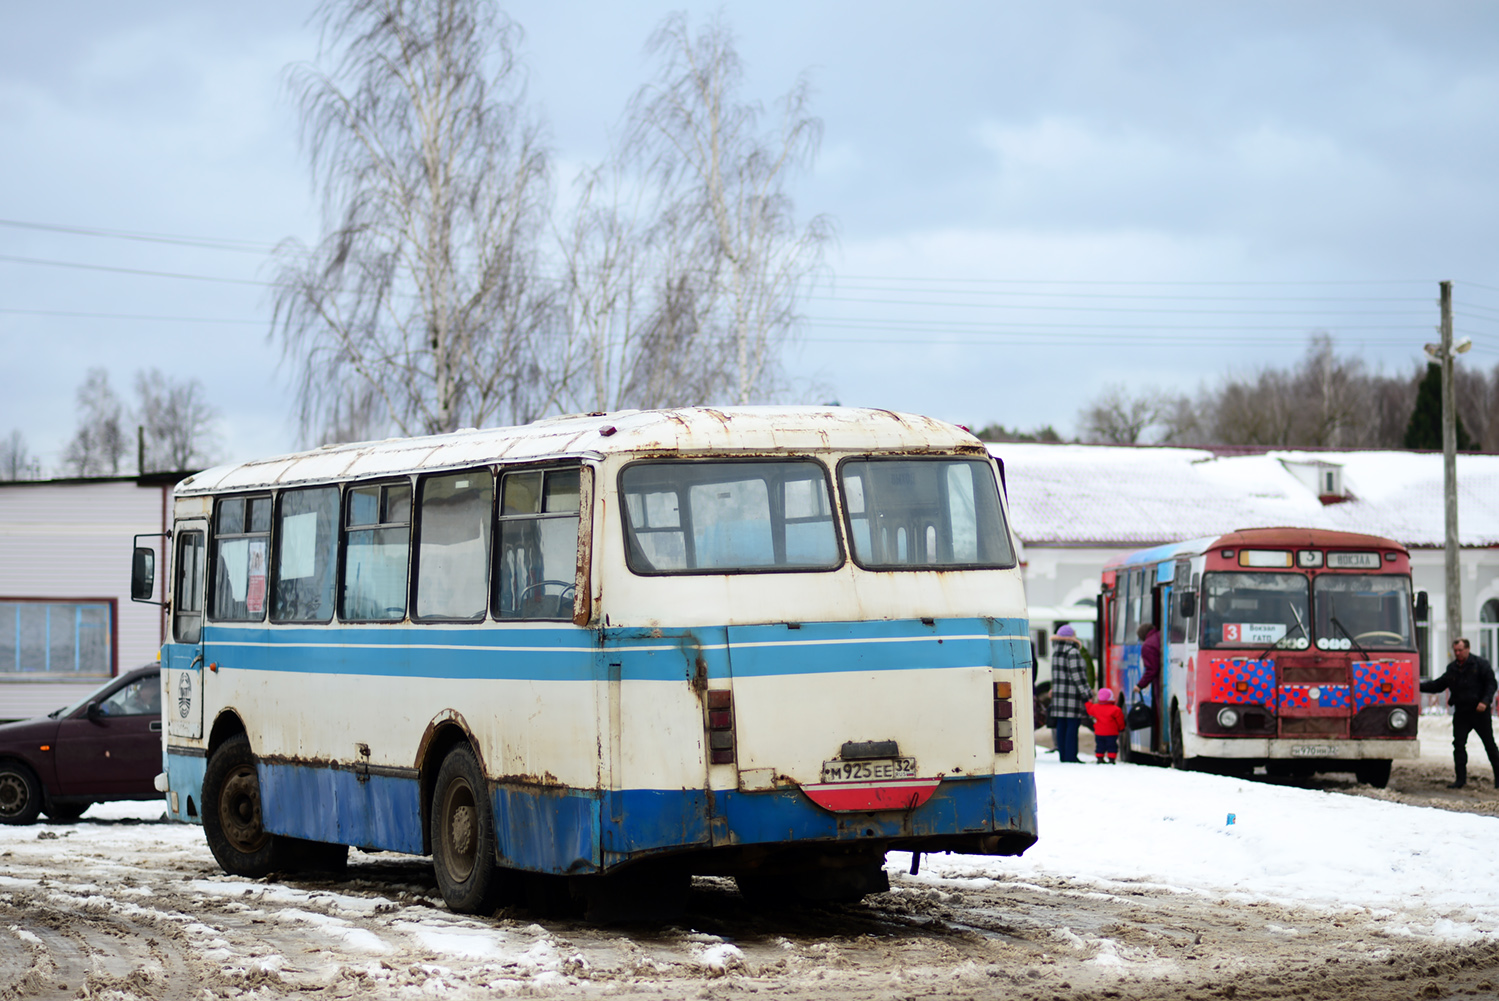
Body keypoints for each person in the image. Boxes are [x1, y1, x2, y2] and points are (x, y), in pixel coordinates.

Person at [1420, 637, 1499, 789]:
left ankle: (1498, 779)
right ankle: (1460, 780)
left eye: (1460, 650)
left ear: (1467, 649)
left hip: (1479, 712)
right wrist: (1416, 685)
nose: (1457, 653)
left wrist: (1485, 701)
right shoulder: (1452, 668)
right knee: (1459, 745)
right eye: (1455, 650)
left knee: (1489, 745)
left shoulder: (1480, 664)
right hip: (1462, 712)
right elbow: (1438, 685)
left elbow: (1491, 684)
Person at [1049, 624, 1090, 763]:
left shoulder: (1056, 652)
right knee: (1072, 727)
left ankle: (1063, 755)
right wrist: (1087, 693)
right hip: (1071, 696)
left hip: (1059, 696)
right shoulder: (1073, 652)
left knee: (1061, 726)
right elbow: (1077, 676)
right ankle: (1071, 756)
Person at [1086, 687, 1126, 763]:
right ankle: (1111, 759)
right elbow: (1120, 721)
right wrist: (1121, 728)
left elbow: (1089, 710)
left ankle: (1100, 758)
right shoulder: (1116, 709)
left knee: (1100, 746)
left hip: (1099, 732)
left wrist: (1088, 702)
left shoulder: (1095, 707)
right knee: (1112, 746)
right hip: (1112, 733)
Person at [1134, 622, 1161, 695]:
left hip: (1161, 680)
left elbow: (1151, 669)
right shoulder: (1161, 635)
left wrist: (1140, 685)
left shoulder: (1148, 645)